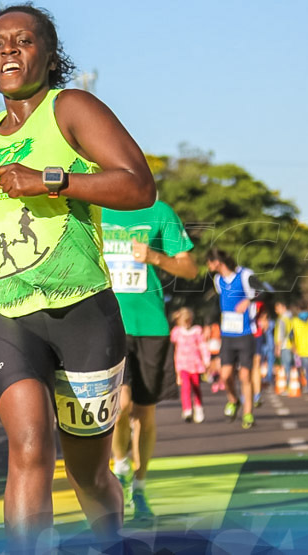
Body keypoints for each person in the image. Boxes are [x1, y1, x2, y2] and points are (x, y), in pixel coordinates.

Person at [0, 3, 156, 549]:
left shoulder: (72, 108)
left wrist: (48, 180)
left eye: (22, 40)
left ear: (49, 54)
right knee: (30, 448)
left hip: (83, 312)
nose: (8, 50)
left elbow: (137, 186)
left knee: (89, 473)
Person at [102, 198, 197, 520]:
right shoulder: (94, 209)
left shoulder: (160, 212)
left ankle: (139, 488)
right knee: (121, 405)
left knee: (145, 412)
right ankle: (122, 465)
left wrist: (155, 256)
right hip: (108, 324)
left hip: (150, 325)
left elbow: (189, 267)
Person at [205, 248, 263, 429]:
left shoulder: (245, 275)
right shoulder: (218, 280)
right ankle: (233, 399)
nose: (208, 266)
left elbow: (263, 290)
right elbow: (218, 304)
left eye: (209, 262)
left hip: (245, 333)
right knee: (225, 374)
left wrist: (249, 301)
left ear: (217, 262)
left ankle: (248, 414)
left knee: (245, 375)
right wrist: (208, 323)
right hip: (227, 335)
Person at [170, 308, 207, 424]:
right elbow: (172, 346)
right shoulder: (177, 332)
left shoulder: (196, 331)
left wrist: (206, 360)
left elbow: (202, 346)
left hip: (195, 364)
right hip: (182, 365)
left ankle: (198, 407)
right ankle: (187, 409)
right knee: (185, 387)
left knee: (196, 386)